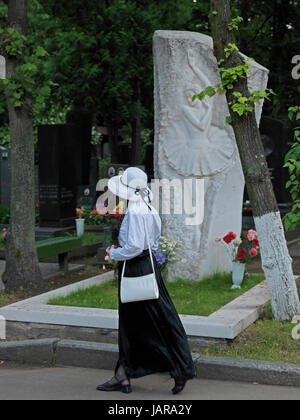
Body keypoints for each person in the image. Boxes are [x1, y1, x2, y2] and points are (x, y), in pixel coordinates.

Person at [96, 167, 196, 395]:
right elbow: (150, 241)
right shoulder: (148, 206)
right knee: (157, 320)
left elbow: (134, 247)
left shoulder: (136, 211)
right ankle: (124, 374)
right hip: (148, 269)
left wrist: (113, 253)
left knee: (138, 324)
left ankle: (176, 368)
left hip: (135, 269)